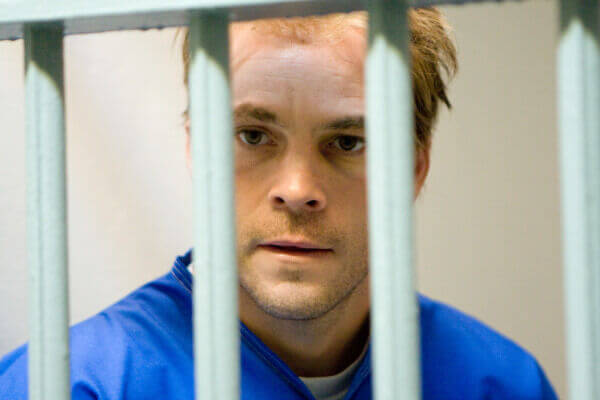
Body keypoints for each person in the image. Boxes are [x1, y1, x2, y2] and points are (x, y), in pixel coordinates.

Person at [0, 7, 558, 400]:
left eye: (348, 142)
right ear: (198, 148)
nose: (296, 188)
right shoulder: (74, 385)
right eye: (253, 136)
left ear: (414, 168)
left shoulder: (499, 384)